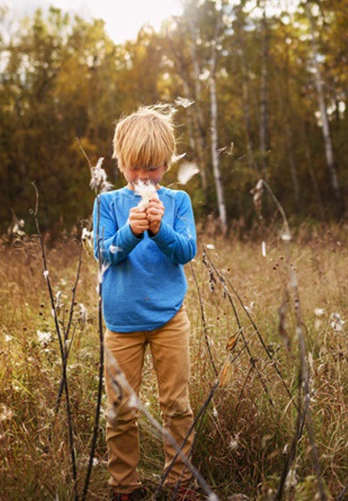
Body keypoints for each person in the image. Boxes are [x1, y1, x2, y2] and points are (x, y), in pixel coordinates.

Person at [93, 105, 199, 501]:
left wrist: (159, 228)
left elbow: (185, 250)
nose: (143, 177)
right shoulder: (107, 204)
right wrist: (132, 231)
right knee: (122, 410)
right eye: (136, 167)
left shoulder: (178, 201)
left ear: (167, 164)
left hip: (170, 318)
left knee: (176, 405)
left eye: (153, 168)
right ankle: (125, 488)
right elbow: (104, 253)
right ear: (120, 162)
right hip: (121, 324)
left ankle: (180, 483)